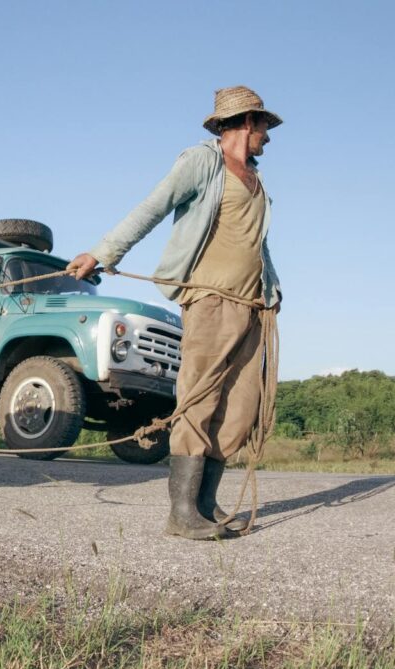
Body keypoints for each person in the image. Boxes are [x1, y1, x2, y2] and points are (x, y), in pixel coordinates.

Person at [68, 86, 283, 540]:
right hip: (209, 301)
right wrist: (102, 252)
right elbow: (153, 206)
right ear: (245, 122)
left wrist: (273, 287)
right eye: (264, 125)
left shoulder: (256, 178)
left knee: (241, 408)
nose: (268, 135)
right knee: (199, 401)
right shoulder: (203, 162)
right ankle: (181, 512)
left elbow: (255, 242)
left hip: (252, 306)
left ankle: (206, 505)